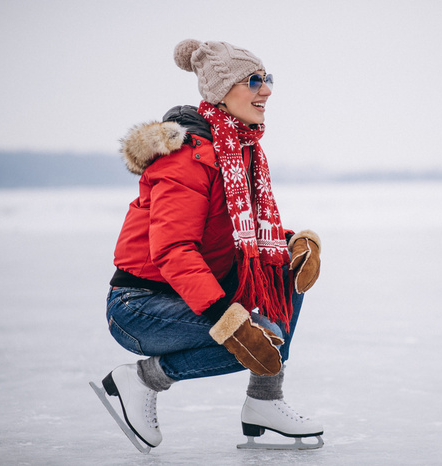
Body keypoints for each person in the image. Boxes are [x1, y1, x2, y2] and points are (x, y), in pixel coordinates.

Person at [92, 39, 324, 451]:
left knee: (281, 275)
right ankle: (142, 378)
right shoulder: (185, 159)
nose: (266, 90)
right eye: (253, 81)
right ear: (221, 90)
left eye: (267, 78)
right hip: (141, 305)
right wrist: (227, 319)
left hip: (189, 295)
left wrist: (290, 244)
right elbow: (173, 250)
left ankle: (264, 402)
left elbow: (241, 231)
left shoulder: (239, 149)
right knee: (260, 337)